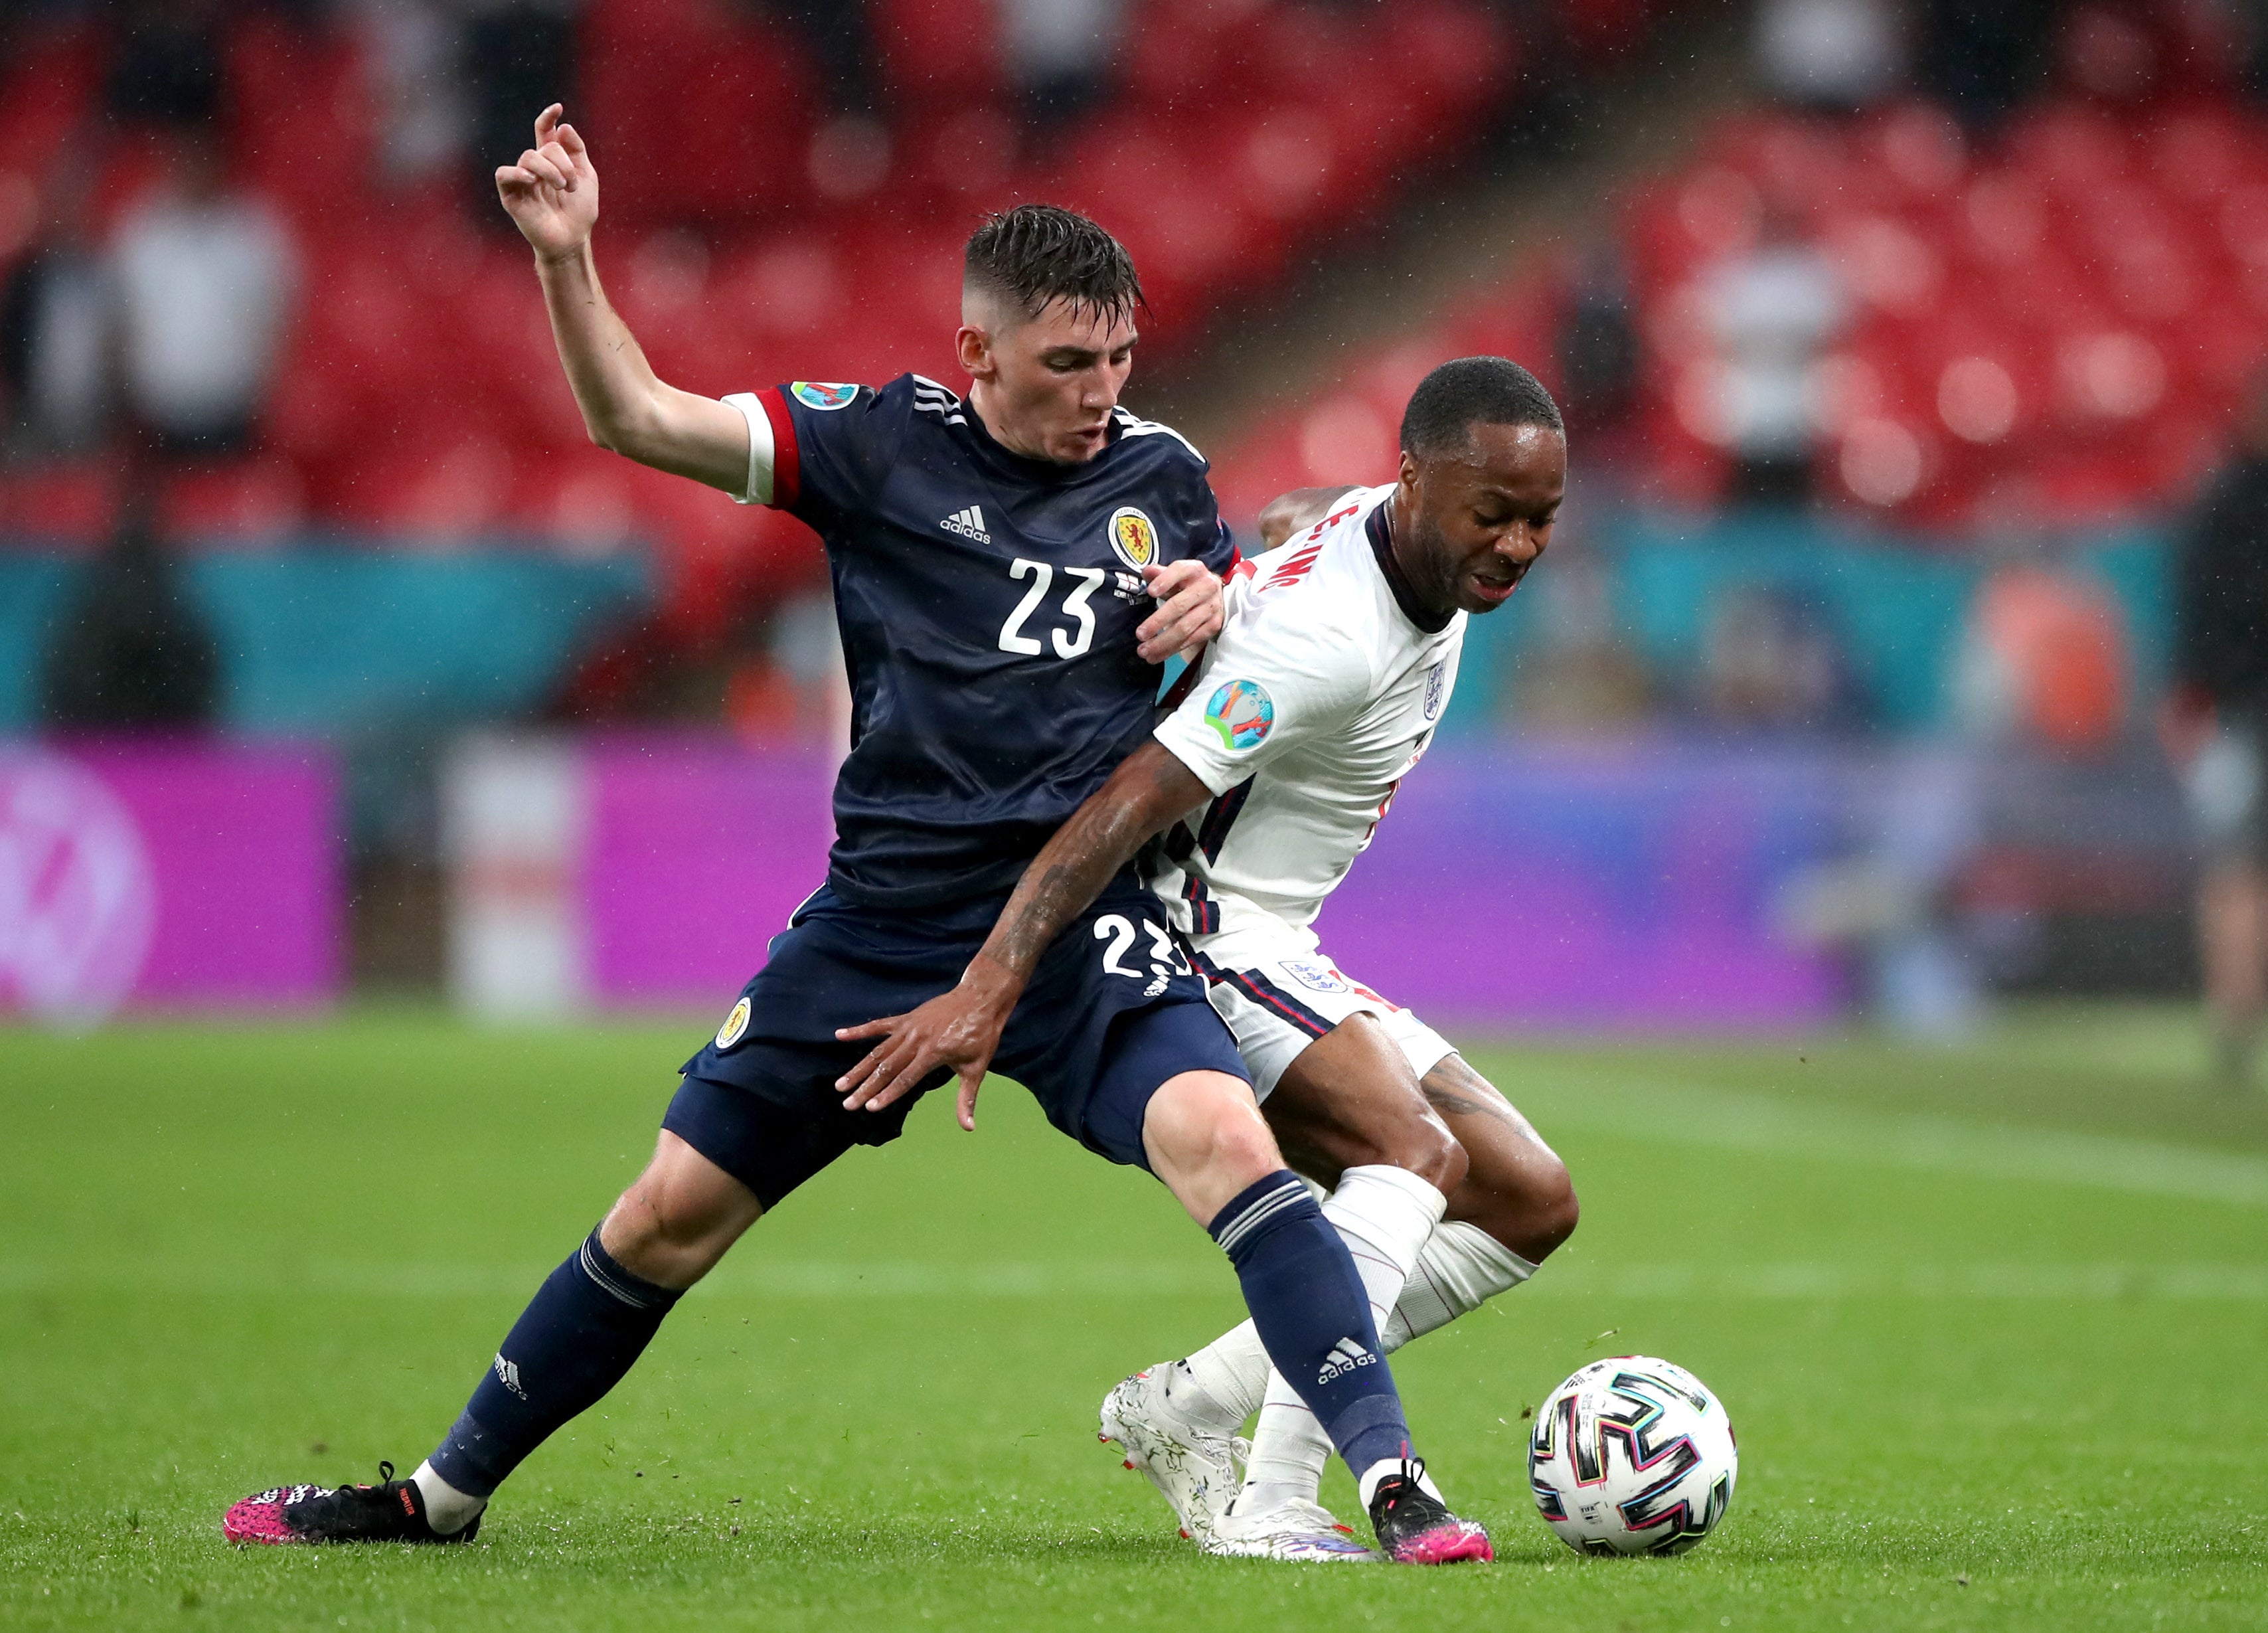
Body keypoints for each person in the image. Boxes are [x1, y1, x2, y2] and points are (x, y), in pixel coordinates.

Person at [223, 107, 1491, 1566]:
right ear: (978, 354)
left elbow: (1216, 665)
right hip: (883, 924)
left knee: (1224, 1133)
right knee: (666, 1215)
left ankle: (1394, 1484)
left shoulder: (1160, 477)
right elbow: (635, 417)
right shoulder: (875, 445)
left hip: (1075, 922)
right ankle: (438, 1494)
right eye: (1068, 363)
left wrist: (1207, 611)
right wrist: (569, 259)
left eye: (1120, 358)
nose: (1102, 394)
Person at [835, 356, 1578, 1559]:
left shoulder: (1386, 539)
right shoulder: (1327, 645)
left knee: (1530, 1200)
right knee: (1414, 1149)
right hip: (1199, 929)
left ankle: (1192, 1401)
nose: (1516, 544)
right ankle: (1282, 1497)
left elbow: (1306, 515)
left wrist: (1241, 566)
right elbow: (1126, 807)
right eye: (1490, 514)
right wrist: (996, 974)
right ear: (1415, 483)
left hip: (1285, 940)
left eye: (1540, 518)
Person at [2168, 373, 2268, 1090]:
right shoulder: (2227, 504)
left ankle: (2232, 1020)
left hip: (2238, 705)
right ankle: (2232, 1018)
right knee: (2238, 868)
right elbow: (2202, 615)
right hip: (2244, 709)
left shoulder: (2221, 503)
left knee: (2237, 870)